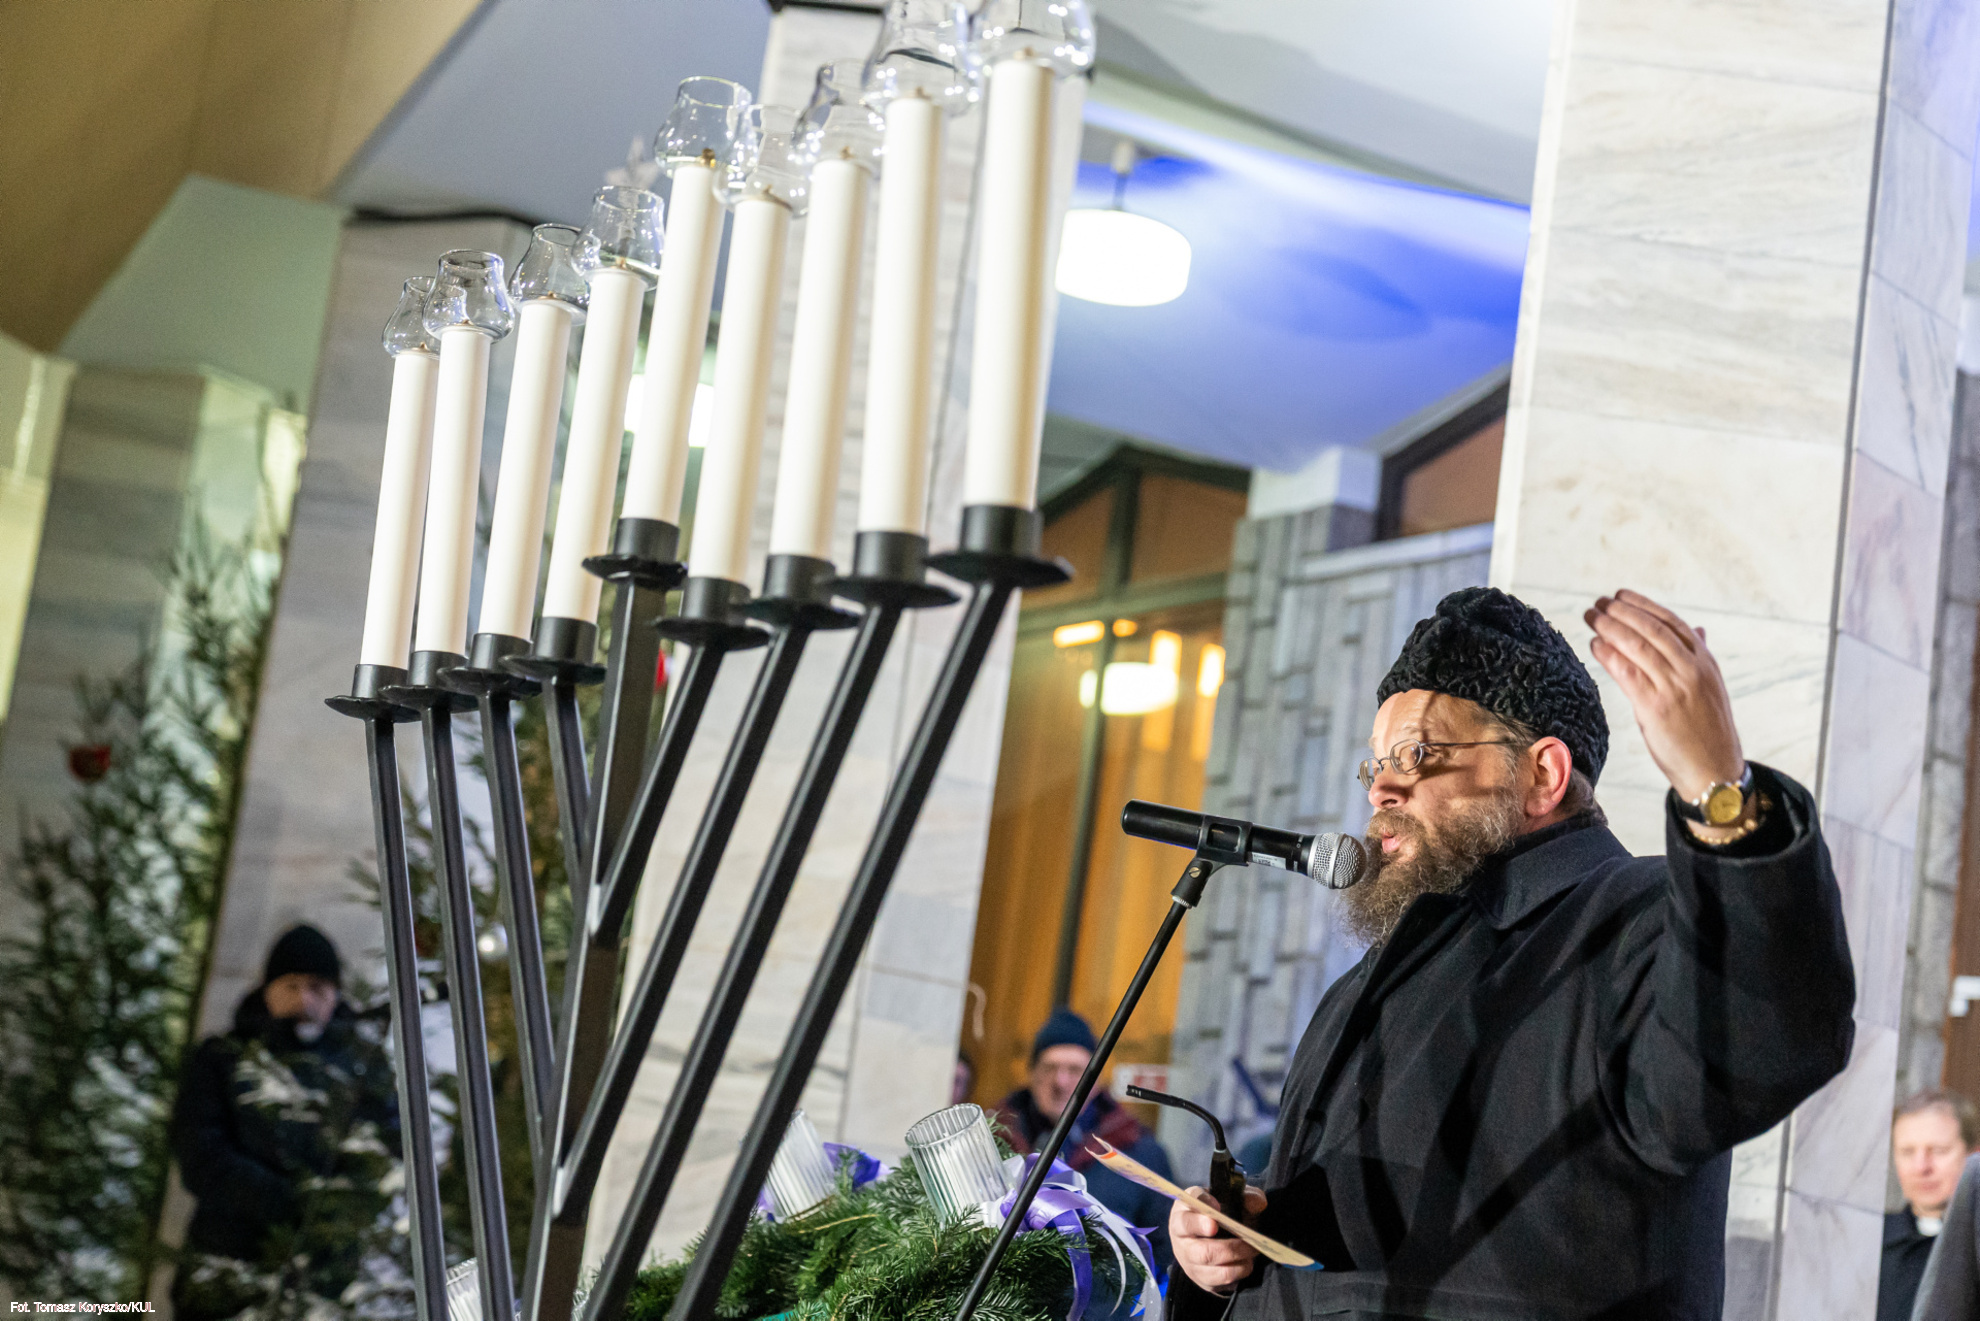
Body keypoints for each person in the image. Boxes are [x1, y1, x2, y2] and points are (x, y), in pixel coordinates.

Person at [1168, 587, 1855, 1319]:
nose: (1383, 789)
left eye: (1417, 754)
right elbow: (1357, 1232)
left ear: (1543, 776)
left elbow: (1761, 1044)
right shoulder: (1362, 987)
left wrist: (1722, 795)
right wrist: (1234, 1240)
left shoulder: (1639, 920)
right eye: (1376, 765)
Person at [171, 924, 403, 1321]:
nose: (304, 999)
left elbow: (385, 1157)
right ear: (268, 989)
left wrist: (333, 1215)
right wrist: (289, 1202)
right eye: (291, 985)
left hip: (323, 1279)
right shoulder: (223, 1059)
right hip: (227, 1268)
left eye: (317, 988)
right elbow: (201, 1154)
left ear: (336, 993)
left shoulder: (365, 1069)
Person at [993, 1007, 1178, 1275]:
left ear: (1097, 1079)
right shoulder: (995, 1140)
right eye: (1050, 1068)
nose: (1061, 1082)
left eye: (1075, 1070)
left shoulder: (1138, 1152)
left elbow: (1165, 1254)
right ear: (1031, 1073)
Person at [1883, 1090, 1980, 1321]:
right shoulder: (1871, 1242)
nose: (1921, 1167)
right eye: (1907, 1152)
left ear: (1974, 1154)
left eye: (1938, 1151)